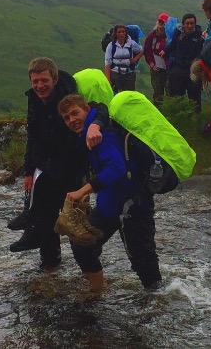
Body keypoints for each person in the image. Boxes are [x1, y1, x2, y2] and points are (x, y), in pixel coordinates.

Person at [57, 93, 163, 293]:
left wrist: (84, 190)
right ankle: (97, 292)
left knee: (143, 260)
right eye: (66, 118)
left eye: (75, 113)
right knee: (82, 244)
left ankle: (160, 302)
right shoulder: (90, 130)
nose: (72, 120)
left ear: (86, 110)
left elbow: (116, 168)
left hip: (134, 204)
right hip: (110, 204)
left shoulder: (100, 136)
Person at [9, 58, 106, 272]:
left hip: (74, 164)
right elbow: (33, 135)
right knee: (46, 214)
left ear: (55, 79)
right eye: (35, 81)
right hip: (49, 164)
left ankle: (90, 257)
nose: (39, 86)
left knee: (75, 217)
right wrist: (28, 171)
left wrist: (95, 126)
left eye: (44, 80)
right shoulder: (34, 98)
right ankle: (50, 264)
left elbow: (100, 109)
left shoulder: (68, 95)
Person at [165, 13, 204, 112]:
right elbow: (172, 45)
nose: (190, 26)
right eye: (187, 23)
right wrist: (164, 51)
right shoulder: (178, 34)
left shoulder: (199, 36)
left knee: (195, 96)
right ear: (183, 24)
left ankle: (195, 119)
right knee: (176, 95)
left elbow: (202, 53)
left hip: (193, 70)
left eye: (192, 23)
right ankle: (176, 117)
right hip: (178, 68)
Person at [104, 24, 143, 93]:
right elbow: (108, 62)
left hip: (129, 73)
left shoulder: (131, 43)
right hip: (115, 73)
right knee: (115, 93)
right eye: (119, 32)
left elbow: (141, 50)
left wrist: (135, 59)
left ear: (126, 33)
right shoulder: (111, 45)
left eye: (123, 32)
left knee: (129, 94)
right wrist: (108, 79)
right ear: (115, 34)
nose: (121, 34)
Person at [142, 14, 170, 105]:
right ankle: (158, 110)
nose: (162, 25)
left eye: (164, 23)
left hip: (169, 67)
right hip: (156, 68)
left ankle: (170, 111)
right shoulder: (152, 37)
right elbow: (147, 51)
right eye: (160, 22)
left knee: (170, 90)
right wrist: (152, 64)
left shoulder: (170, 36)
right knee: (157, 91)